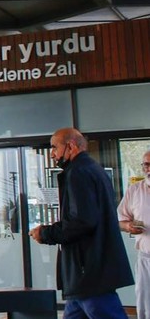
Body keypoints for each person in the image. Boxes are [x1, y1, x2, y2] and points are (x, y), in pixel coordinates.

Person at [29, 128, 133, 319]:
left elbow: (81, 221)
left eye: (54, 147)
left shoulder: (78, 173)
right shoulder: (93, 169)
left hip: (87, 270)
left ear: (70, 146)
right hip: (86, 271)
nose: (52, 154)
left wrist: (45, 233)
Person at [117, 150, 150, 319]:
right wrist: (128, 226)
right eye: (146, 165)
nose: (149, 169)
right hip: (146, 258)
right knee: (145, 305)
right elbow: (120, 221)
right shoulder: (135, 190)